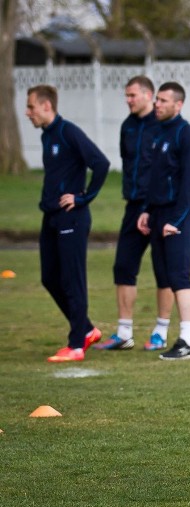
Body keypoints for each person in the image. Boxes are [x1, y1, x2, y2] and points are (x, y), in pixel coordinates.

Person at [25, 84, 109, 362]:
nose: (28, 113)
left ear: (46, 105)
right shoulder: (48, 136)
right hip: (50, 216)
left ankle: (76, 345)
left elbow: (101, 163)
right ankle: (85, 329)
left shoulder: (68, 131)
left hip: (72, 216)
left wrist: (83, 197)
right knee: (49, 277)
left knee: (73, 280)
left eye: (31, 107)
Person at [95, 76, 176, 352]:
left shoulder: (162, 125)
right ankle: (123, 332)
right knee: (123, 266)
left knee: (163, 271)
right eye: (126, 96)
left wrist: (153, 207)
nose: (128, 100)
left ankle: (161, 332)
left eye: (132, 95)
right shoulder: (127, 126)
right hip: (133, 206)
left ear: (148, 95)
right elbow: (128, 164)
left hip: (158, 206)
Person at [137, 82, 190, 360]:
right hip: (159, 215)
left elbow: (189, 183)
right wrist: (147, 210)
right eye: (157, 100)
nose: (158, 104)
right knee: (165, 279)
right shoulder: (157, 132)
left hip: (179, 216)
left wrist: (174, 219)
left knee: (180, 278)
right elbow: (155, 179)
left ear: (178, 105)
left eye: (164, 100)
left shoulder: (187, 134)